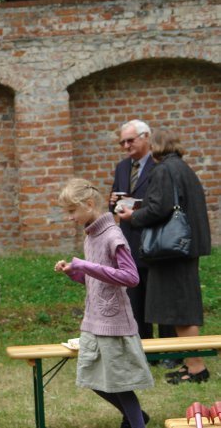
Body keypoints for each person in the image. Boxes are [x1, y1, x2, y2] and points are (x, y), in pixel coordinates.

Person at [55, 178, 153, 428]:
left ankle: (137, 422)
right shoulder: (90, 236)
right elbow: (96, 280)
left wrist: (85, 265)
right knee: (92, 379)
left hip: (113, 323)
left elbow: (131, 278)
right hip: (93, 321)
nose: (69, 218)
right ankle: (138, 417)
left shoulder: (112, 235)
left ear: (89, 204)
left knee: (120, 385)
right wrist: (73, 271)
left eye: (71, 211)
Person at [118, 129, 211, 385]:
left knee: (181, 310)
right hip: (185, 248)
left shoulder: (163, 170)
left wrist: (132, 216)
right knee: (184, 307)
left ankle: (196, 367)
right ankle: (192, 364)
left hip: (172, 251)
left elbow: (160, 208)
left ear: (156, 146)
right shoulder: (183, 168)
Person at [109, 120, 178, 349]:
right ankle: (144, 349)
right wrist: (113, 203)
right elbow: (117, 202)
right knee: (135, 300)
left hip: (156, 241)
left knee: (161, 299)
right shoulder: (122, 167)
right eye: (122, 142)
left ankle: (169, 350)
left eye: (131, 140)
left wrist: (134, 210)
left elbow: (161, 203)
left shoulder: (161, 166)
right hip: (130, 243)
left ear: (146, 137)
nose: (126, 145)